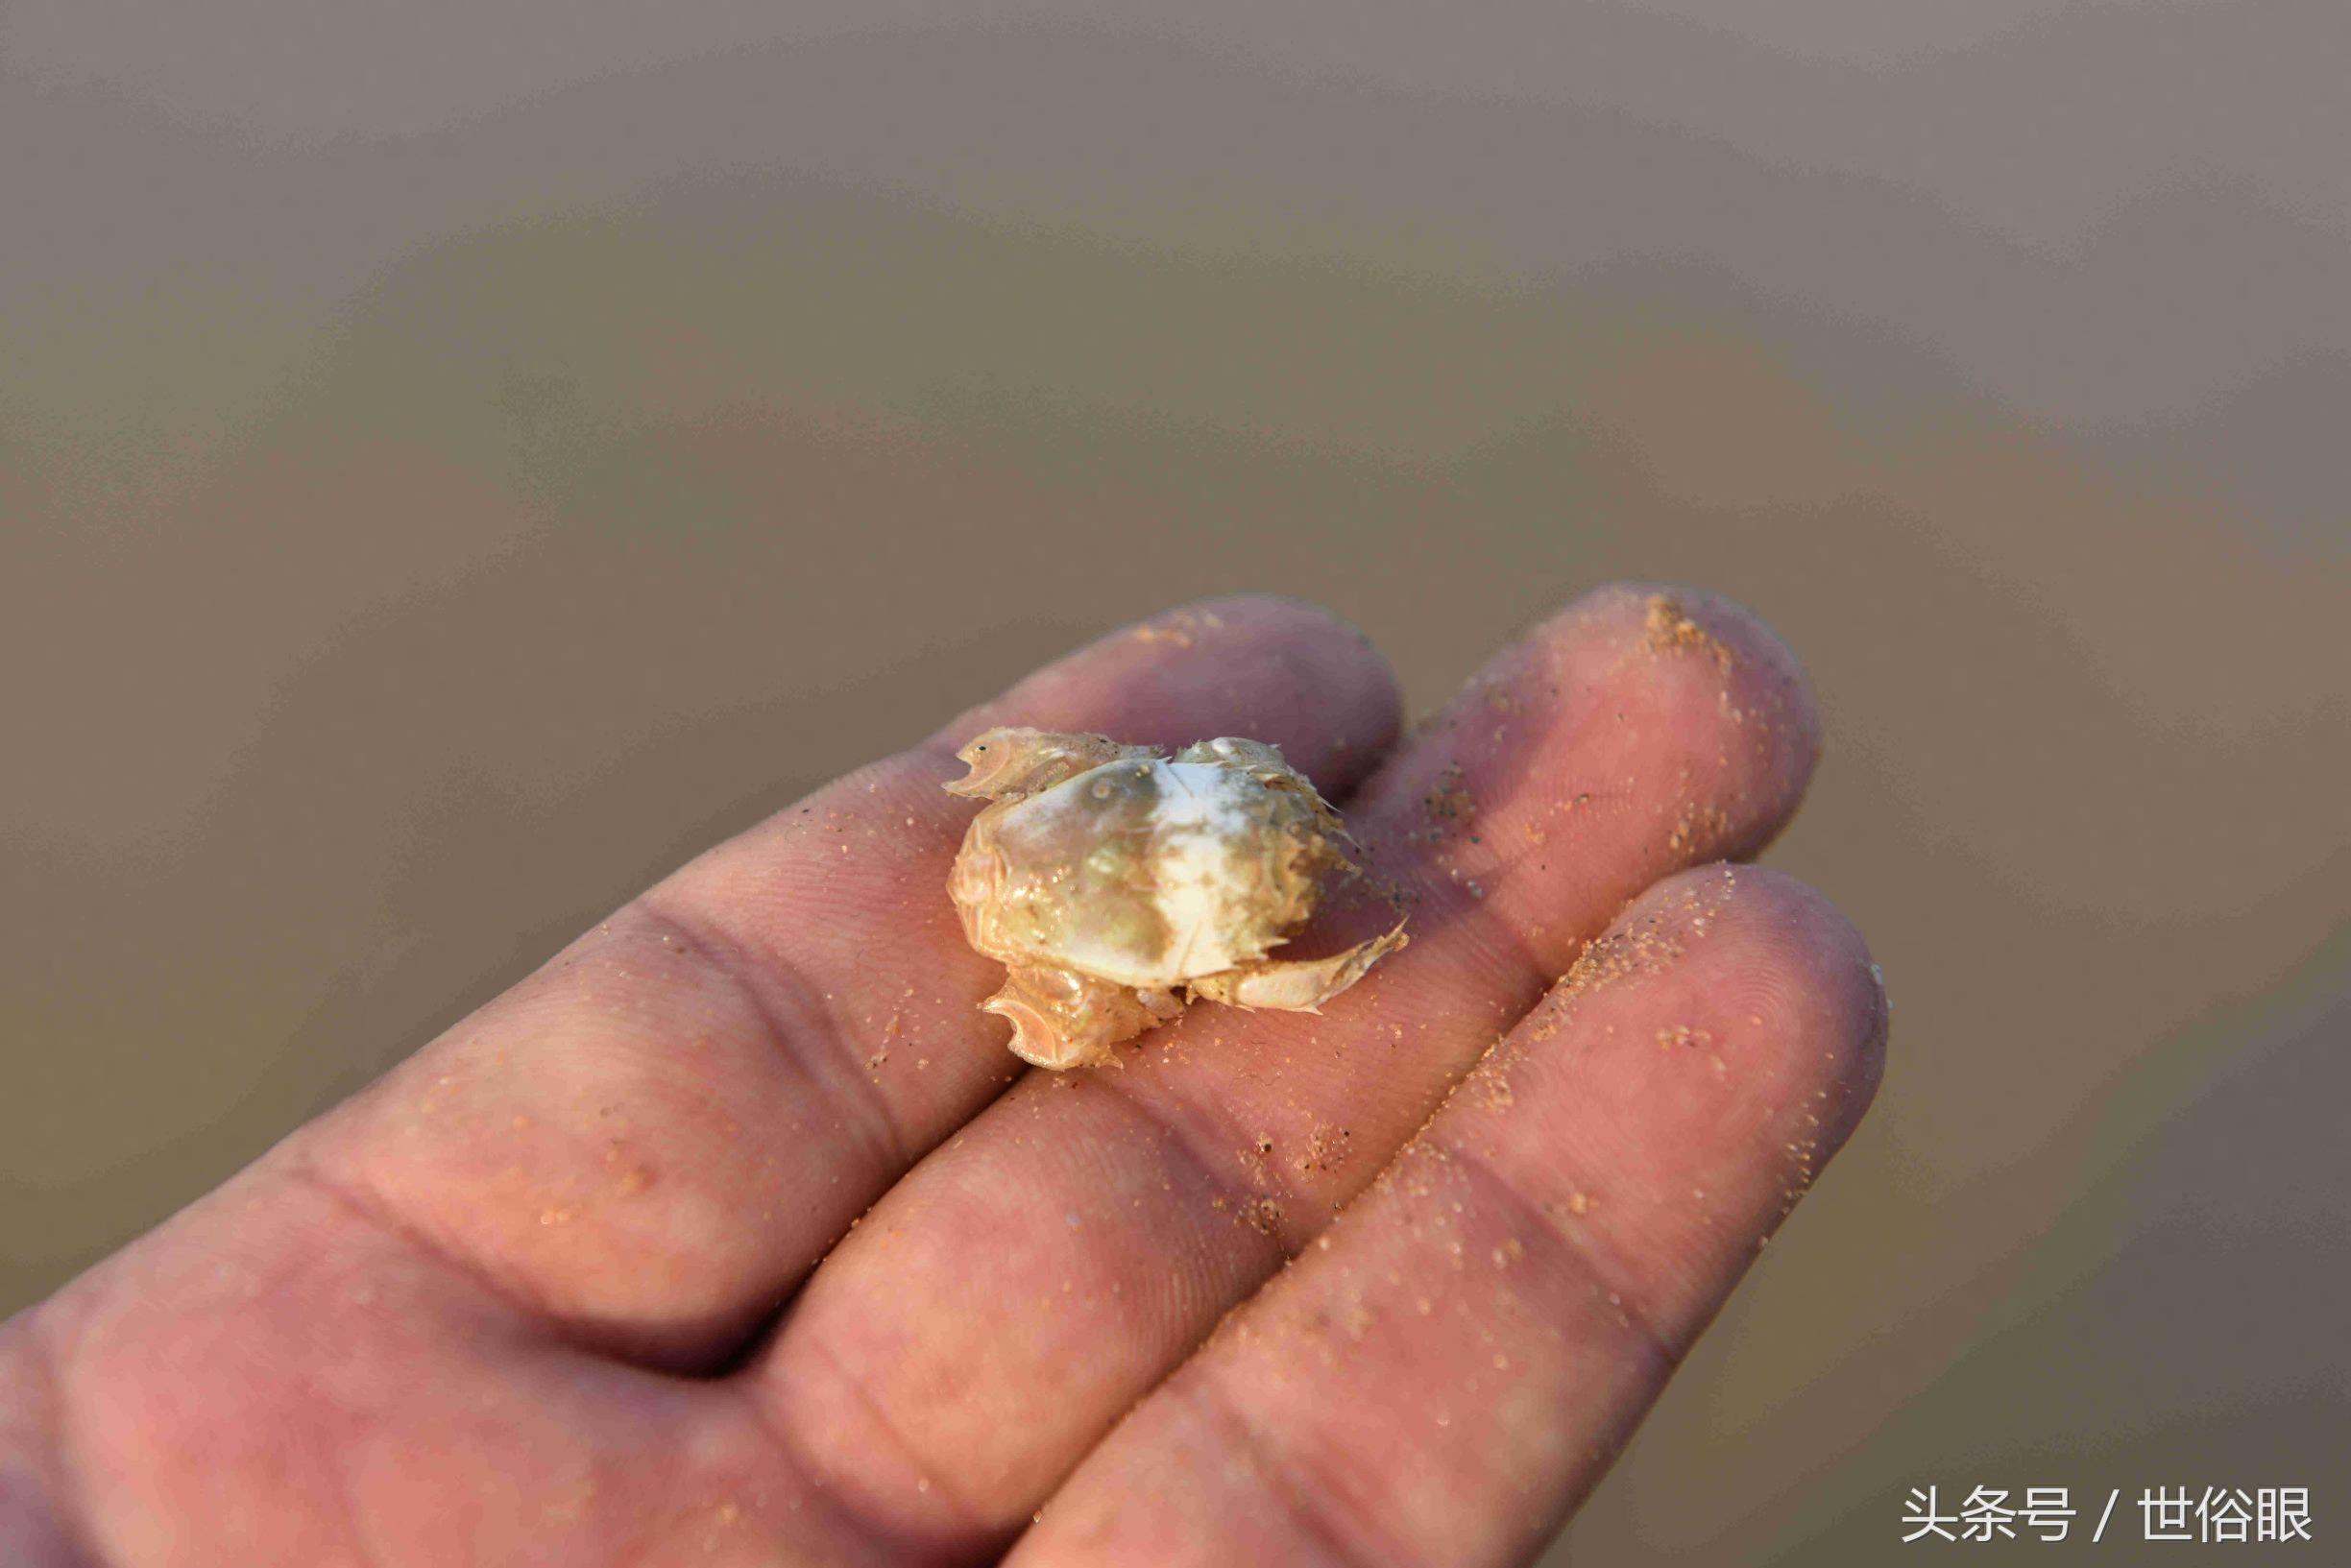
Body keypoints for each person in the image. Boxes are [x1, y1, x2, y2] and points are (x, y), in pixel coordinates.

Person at [0, 586, 1886, 1567]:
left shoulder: (1068, 853)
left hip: (1189, 841)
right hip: (1183, 836)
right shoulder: (1055, 846)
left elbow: (1080, 898)